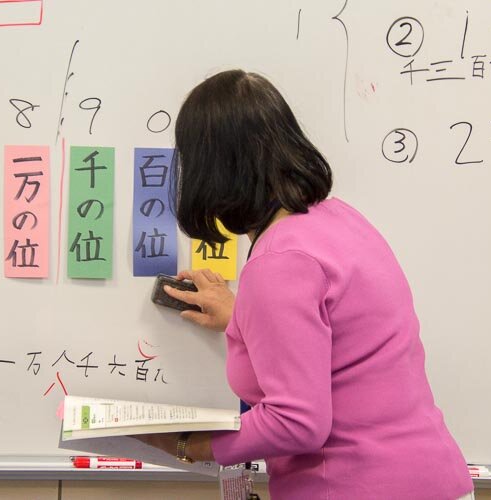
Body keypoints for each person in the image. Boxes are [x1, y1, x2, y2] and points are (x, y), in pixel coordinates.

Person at [138, 70, 474, 499]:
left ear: (211, 169)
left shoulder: (278, 262)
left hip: (358, 486)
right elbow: (334, 339)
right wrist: (241, 317)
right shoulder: (339, 220)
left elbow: (297, 423)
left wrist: (185, 445)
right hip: (432, 478)